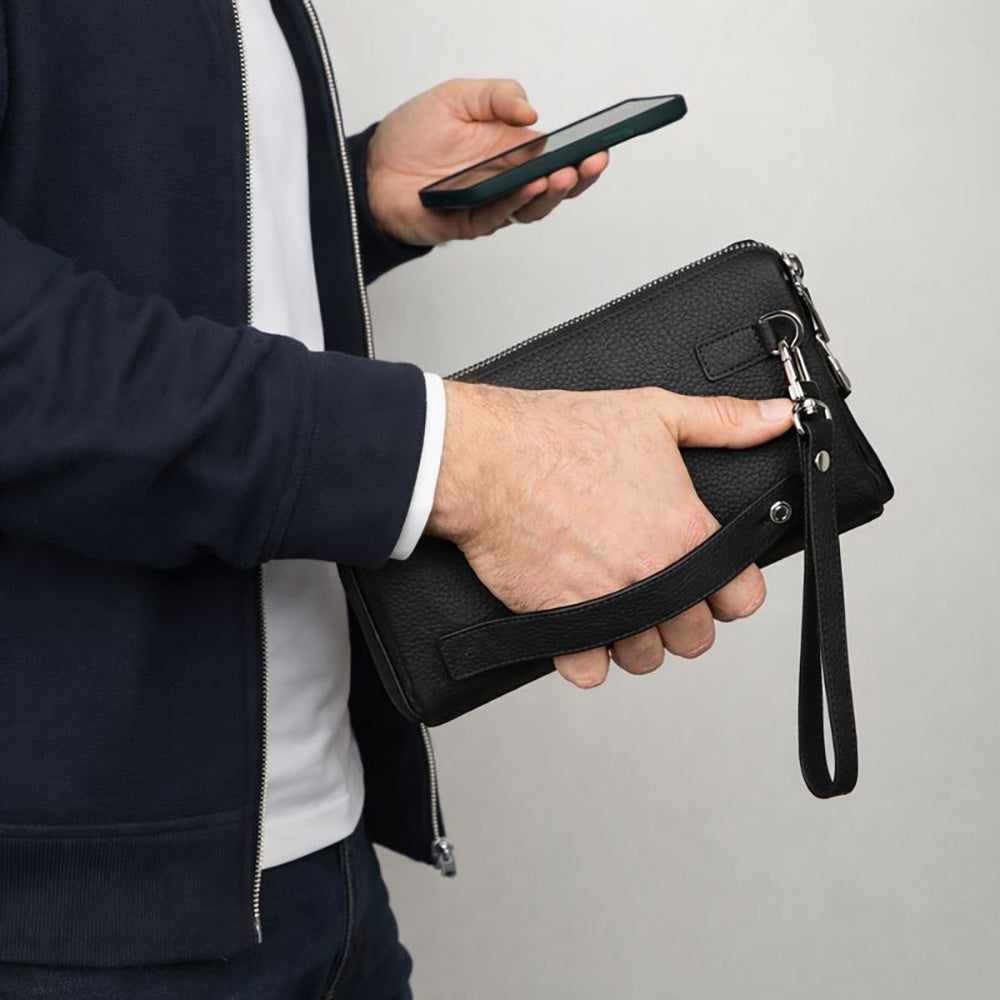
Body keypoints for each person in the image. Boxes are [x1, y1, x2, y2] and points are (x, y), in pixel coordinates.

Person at [0, 1, 793, 997]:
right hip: (66, 922)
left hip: (323, 859)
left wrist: (341, 192)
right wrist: (467, 459)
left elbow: (108, 236)